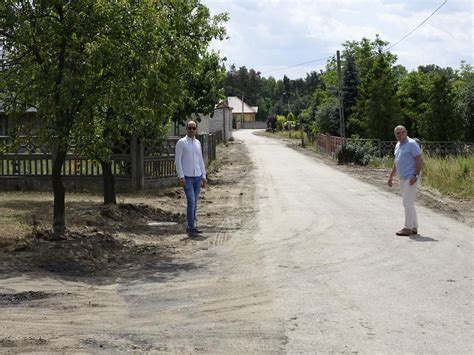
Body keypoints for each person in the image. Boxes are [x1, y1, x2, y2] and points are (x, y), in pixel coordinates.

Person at [387, 125, 423, 236]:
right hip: (402, 177)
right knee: (409, 203)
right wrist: (391, 176)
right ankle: (414, 227)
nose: (400, 134)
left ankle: (407, 228)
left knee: (407, 203)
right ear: (395, 135)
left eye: (402, 132)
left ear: (406, 132)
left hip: (410, 177)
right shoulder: (398, 145)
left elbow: (419, 159)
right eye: (397, 133)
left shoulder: (411, 144)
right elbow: (396, 162)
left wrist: (415, 175)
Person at [175, 120, 207, 238]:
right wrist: (181, 176)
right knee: (191, 201)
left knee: (195, 202)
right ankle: (190, 228)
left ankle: (192, 226)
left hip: (197, 176)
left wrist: (204, 176)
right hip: (187, 177)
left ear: (196, 129)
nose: (192, 130)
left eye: (194, 128)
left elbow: (200, 160)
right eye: (190, 128)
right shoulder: (181, 143)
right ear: (186, 129)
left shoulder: (198, 143)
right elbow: (177, 161)